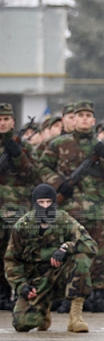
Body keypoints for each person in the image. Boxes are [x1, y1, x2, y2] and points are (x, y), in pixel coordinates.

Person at [38, 100, 104, 313]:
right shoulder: (58, 144)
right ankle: (68, 295)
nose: (84, 119)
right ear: (73, 119)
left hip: (96, 208)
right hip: (69, 209)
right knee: (67, 252)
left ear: (93, 120)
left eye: (87, 115)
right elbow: (42, 167)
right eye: (80, 115)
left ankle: (98, 295)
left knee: (98, 253)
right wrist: (58, 183)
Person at [4, 184, 97, 332]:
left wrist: (66, 248)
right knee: (21, 324)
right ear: (34, 204)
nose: (45, 206)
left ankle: (76, 317)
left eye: (49, 202)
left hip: (60, 275)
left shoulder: (65, 221)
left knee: (81, 258)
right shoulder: (22, 226)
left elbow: (91, 245)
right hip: (37, 282)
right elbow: (11, 261)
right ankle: (43, 312)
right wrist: (21, 286)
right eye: (41, 202)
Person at [0, 103, 39, 310]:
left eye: (6, 119)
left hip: (15, 209)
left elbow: (34, 175)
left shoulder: (25, 147)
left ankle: (9, 293)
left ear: (13, 122)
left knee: (13, 253)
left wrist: (18, 156)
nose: (2, 123)